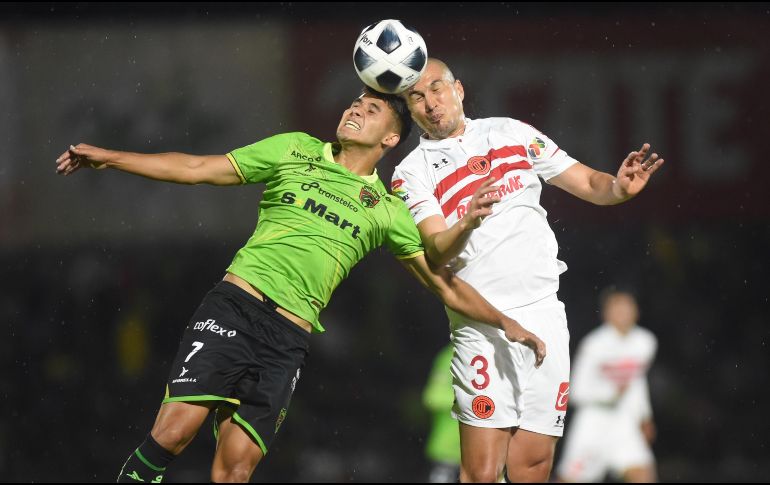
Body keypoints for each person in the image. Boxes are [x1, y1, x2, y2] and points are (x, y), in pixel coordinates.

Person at [55, 87, 546, 484]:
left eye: (371, 109)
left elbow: (445, 285)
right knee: (175, 432)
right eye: (355, 102)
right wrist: (111, 158)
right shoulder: (294, 149)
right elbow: (196, 168)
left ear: (391, 139)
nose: (355, 109)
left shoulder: (386, 209)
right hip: (235, 307)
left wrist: (506, 321)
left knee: (236, 468)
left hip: (288, 339)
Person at [391, 58, 665, 482]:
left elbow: (589, 182)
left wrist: (618, 187)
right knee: (481, 471)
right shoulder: (410, 173)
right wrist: (466, 221)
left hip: (544, 314)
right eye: (417, 97)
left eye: (437, 89)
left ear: (458, 89)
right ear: (409, 110)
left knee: (533, 463)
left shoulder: (511, 133)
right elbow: (437, 251)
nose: (430, 103)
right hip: (480, 323)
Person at [555, 289, 658, 483]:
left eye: (628, 307)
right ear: (606, 313)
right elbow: (576, 391)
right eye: (618, 308)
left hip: (624, 421)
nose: (624, 313)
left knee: (642, 475)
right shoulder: (594, 344)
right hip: (594, 422)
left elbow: (637, 383)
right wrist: (609, 393)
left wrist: (645, 416)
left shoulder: (645, 342)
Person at [422, 343, 461, 483]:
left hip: (487, 450)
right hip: (448, 451)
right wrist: (468, 402)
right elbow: (432, 397)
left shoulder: (499, 352)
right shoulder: (451, 355)